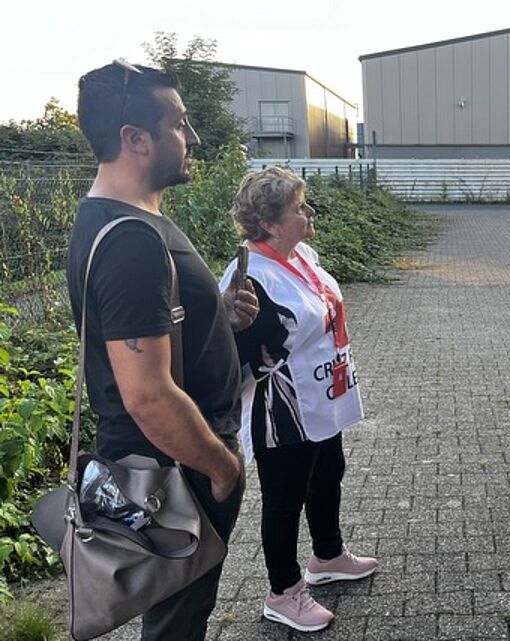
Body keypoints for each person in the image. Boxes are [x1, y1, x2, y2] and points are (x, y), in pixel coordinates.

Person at [66, 60, 259, 640]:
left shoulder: (127, 221)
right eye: (179, 122)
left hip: (173, 463)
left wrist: (217, 318)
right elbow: (148, 394)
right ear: (135, 138)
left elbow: (150, 337)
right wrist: (221, 468)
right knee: (177, 622)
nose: (193, 136)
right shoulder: (130, 244)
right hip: (175, 471)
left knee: (181, 615)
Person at [221, 167, 377, 633]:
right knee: (285, 497)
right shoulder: (249, 277)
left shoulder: (300, 253)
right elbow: (241, 350)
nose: (309, 213)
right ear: (269, 223)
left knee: (329, 472)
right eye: (298, 208)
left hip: (322, 394)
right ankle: (283, 592)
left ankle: (327, 555)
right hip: (282, 409)